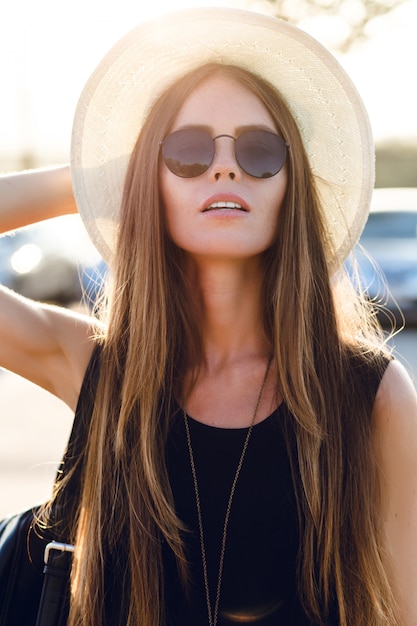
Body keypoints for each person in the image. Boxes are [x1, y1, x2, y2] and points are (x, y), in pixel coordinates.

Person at [1, 7, 417, 626]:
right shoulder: (91, 361)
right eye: (188, 150)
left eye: (259, 150)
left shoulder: (373, 393)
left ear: (290, 188)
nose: (225, 167)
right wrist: (93, 178)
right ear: (149, 179)